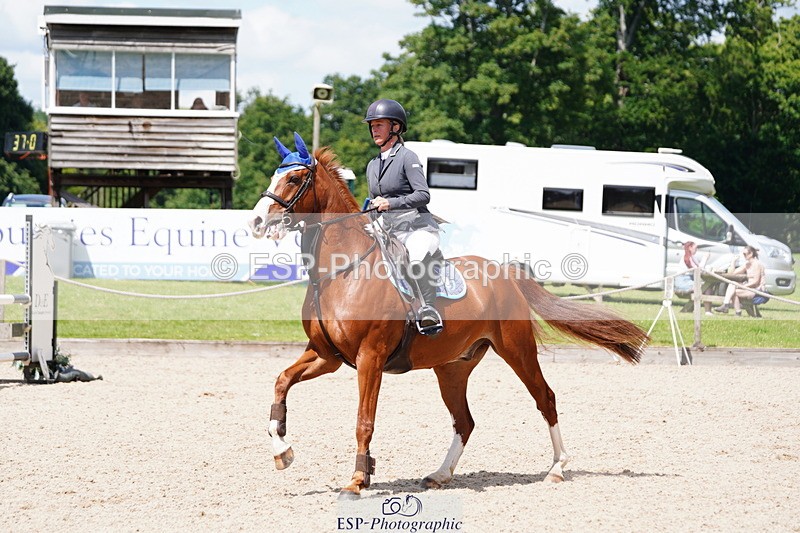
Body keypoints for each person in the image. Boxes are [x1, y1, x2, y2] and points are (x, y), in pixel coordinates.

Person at [363, 98, 443, 336]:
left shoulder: (408, 157)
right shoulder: (372, 164)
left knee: (415, 256)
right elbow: (373, 202)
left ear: (395, 128)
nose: (374, 130)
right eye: (372, 125)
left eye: (379, 125)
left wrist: (391, 203)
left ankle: (428, 310)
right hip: (388, 229)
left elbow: (423, 195)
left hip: (417, 227)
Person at [714, 245, 765, 316]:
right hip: (749, 289)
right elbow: (732, 273)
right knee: (733, 284)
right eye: (743, 254)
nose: (744, 256)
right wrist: (733, 261)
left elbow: (755, 281)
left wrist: (742, 286)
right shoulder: (747, 264)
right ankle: (728, 307)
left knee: (733, 290)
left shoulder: (757, 264)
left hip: (758, 291)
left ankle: (730, 308)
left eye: (745, 254)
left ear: (751, 254)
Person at [674, 241, 713, 315]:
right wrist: (705, 258)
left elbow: (699, 269)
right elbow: (698, 270)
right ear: (690, 248)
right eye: (695, 248)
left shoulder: (693, 257)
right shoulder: (687, 258)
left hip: (689, 281)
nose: (697, 249)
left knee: (707, 287)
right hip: (683, 282)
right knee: (706, 287)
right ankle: (706, 310)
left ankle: (707, 311)